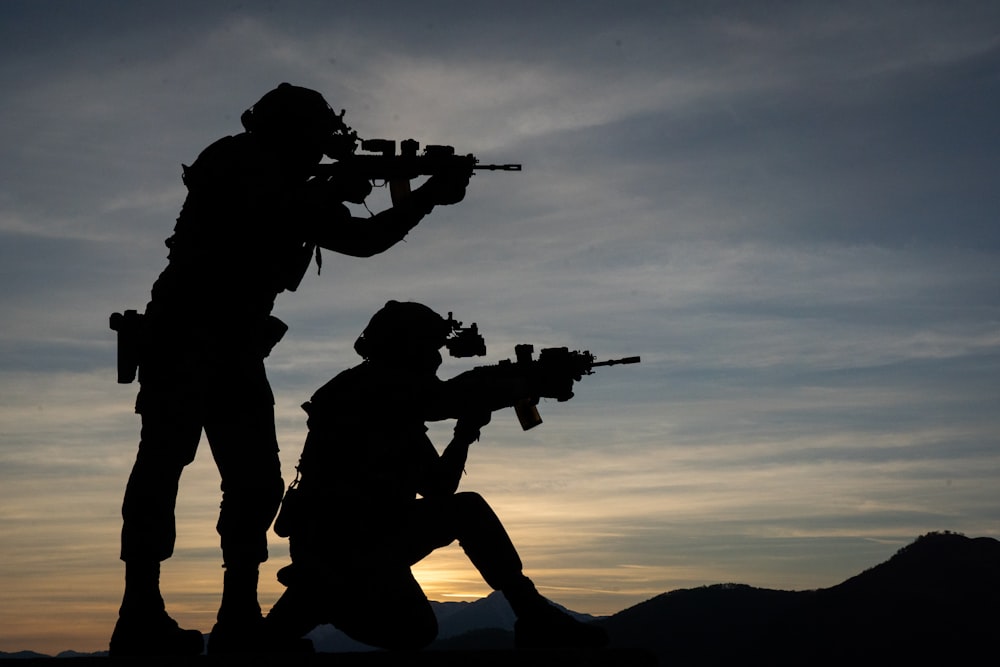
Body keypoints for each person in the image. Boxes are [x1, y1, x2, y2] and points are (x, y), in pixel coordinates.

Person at [110, 85, 472, 657]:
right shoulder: (243, 163)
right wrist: (423, 196)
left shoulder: (270, 172)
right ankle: (141, 614)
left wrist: (344, 190)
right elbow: (358, 238)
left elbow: (311, 221)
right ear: (289, 132)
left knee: (253, 485)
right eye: (317, 138)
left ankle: (237, 618)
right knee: (164, 471)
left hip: (231, 348)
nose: (324, 150)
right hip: (188, 339)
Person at [263, 300, 610, 651]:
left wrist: (464, 434)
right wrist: (516, 383)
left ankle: (306, 605)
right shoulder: (368, 387)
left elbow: (437, 486)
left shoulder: (396, 409)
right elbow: (447, 398)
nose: (435, 357)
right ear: (404, 346)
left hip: (366, 538)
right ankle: (535, 615)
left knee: (414, 630)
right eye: (428, 346)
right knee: (468, 511)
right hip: (344, 537)